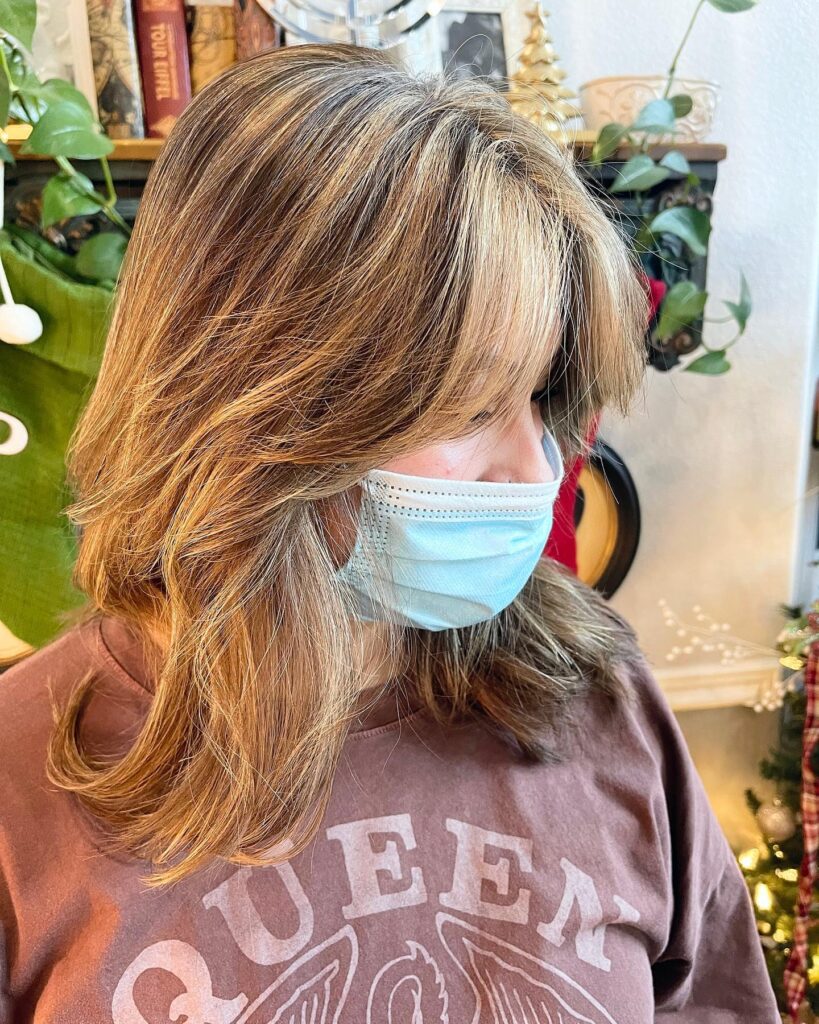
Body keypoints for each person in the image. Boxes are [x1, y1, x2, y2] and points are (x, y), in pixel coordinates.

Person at [0, 42, 779, 1022]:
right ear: (248, 412)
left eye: (538, 395)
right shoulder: (21, 784)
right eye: (470, 407)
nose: (533, 467)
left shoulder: (597, 698)